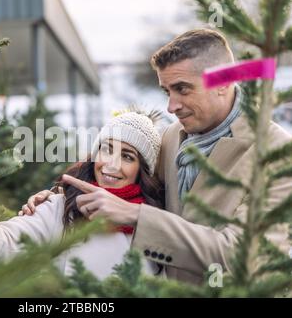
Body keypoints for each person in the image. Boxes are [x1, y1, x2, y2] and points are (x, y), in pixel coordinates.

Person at [20, 29, 292, 285]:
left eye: (183, 89)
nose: (171, 106)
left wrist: (137, 216)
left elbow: (246, 254)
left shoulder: (277, 151)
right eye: (167, 91)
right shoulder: (173, 136)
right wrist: (59, 196)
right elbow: (126, 176)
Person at [0, 111, 164, 280]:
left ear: (143, 171)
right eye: (106, 150)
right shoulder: (61, 207)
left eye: (127, 156)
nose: (112, 164)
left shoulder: (152, 222)